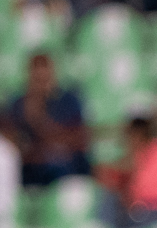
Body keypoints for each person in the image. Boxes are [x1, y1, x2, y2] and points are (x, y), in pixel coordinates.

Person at [2, 51, 94, 188]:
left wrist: (40, 122)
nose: (41, 84)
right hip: (29, 166)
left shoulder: (69, 101)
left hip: (63, 165)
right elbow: (11, 139)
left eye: (44, 79)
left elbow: (77, 137)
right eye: (37, 79)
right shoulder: (18, 103)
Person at [94, 115, 157, 228]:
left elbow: (137, 194)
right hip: (153, 212)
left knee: (111, 201)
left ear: (138, 135)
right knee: (111, 199)